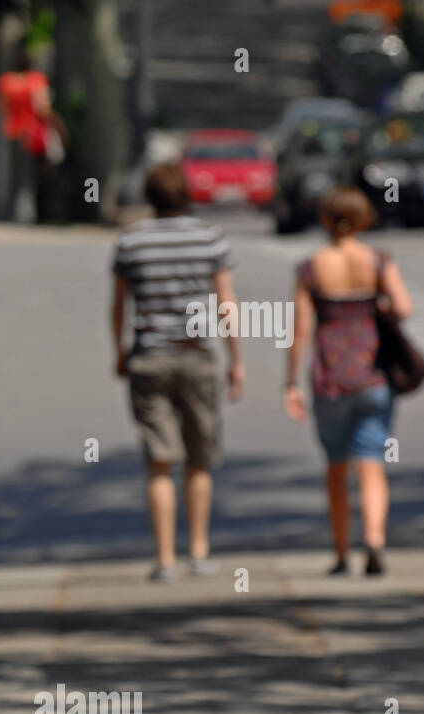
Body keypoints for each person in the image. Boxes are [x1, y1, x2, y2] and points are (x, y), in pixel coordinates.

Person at [111, 163, 245, 582]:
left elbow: (119, 305)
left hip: (149, 356)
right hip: (196, 355)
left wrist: (119, 350)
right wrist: (236, 359)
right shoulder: (209, 238)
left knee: (160, 459)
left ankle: (165, 558)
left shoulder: (132, 241)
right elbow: (226, 304)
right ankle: (200, 550)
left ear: (149, 197)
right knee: (200, 458)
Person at [284, 187, 412, 575]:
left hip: (330, 377)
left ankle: (342, 552)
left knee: (336, 466)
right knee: (371, 460)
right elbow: (403, 306)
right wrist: (375, 306)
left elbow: (301, 328)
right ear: (363, 220)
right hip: (373, 373)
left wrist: (290, 383)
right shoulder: (377, 260)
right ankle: (374, 540)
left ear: (325, 220)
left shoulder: (312, 266)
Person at [0, 48, 66, 223]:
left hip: (11, 132)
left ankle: (9, 211)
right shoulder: (36, 80)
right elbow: (42, 106)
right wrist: (58, 125)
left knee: (12, 174)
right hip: (31, 133)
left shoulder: (6, 81)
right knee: (29, 177)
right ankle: (26, 215)